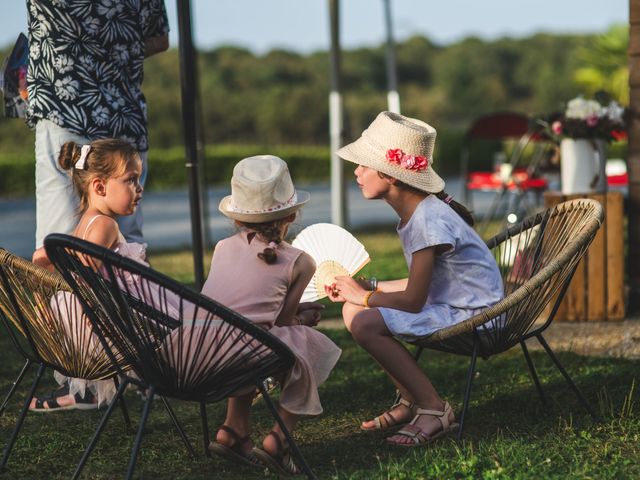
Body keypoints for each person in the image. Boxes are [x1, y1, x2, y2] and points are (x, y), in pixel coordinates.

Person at [325, 111, 503, 447]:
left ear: (391, 175)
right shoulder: (422, 212)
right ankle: (410, 400)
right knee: (353, 312)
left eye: (364, 164)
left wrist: (363, 297)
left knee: (363, 321)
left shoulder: (427, 222)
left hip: (478, 317)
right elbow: (426, 283)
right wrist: (368, 287)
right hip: (454, 303)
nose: (356, 171)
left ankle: (434, 409)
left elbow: (413, 301)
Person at [202, 155, 342, 475]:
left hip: (201, 350)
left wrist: (291, 316)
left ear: (238, 219)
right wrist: (303, 319)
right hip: (244, 351)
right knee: (304, 343)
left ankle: (232, 430)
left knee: (246, 332)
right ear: (292, 214)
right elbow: (282, 321)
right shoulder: (301, 261)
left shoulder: (222, 247)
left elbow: (245, 306)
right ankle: (278, 441)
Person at [26, 0, 169, 255]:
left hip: (65, 105)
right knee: (128, 242)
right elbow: (160, 39)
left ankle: (68, 296)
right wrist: (115, 52)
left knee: (58, 241)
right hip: (124, 112)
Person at [30, 138, 146, 411]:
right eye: (131, 180)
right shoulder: (104, 225)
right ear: (100, 186)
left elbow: (43, 261)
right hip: (111, 329)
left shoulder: (84, 223)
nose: (139, 188)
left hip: (90, 330)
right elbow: (85, 282)